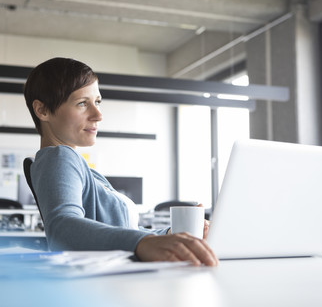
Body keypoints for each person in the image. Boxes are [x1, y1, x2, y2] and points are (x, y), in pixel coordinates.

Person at [24, 57, 217, 266]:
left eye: (97, 102)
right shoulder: (59, 157)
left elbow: (127, 232)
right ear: (42, 110)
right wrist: (143, 242)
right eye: (82, 103)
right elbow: (62, 228)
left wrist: (171, 235)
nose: (98, 115)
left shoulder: (84, 170)